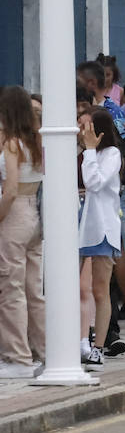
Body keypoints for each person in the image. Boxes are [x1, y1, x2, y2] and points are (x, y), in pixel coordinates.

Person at [0, 87, 44, 378]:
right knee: (34, 289)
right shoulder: (37, 140)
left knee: (10, 288)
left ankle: (17, 358)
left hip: (14, 214)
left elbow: (11, 188)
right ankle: (45, 352)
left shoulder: (12, 144)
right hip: (36, 212)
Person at [77, 109, 124, 368]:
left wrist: (90, 151)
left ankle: (98, 346)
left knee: (100, 289)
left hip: (102, 227)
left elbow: (94, 182)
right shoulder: (82, 153)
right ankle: (77, 339)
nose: (82, 132)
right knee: (73, 288)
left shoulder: (112, 154)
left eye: (87, 127)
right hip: (78, 226)